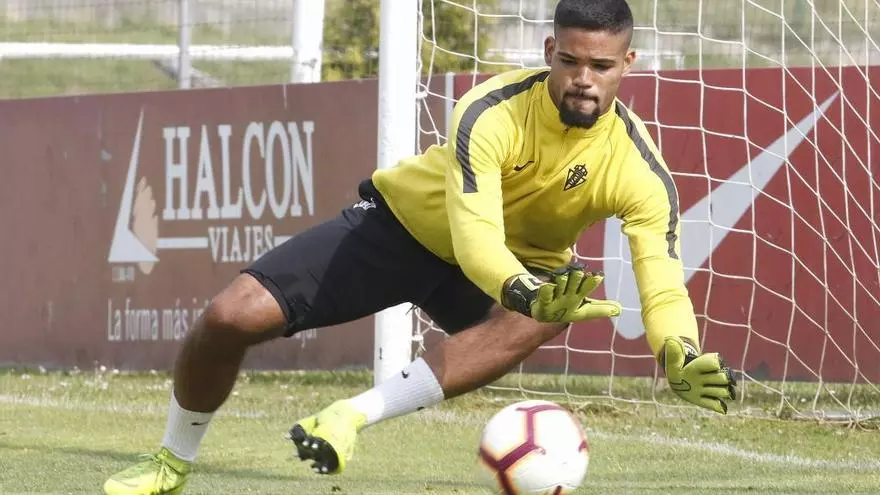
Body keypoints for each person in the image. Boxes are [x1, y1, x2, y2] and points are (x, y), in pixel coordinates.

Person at [103, 0, 737, 492]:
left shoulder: (638, 168)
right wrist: (520, 288)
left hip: (514, 273)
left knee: (552, 311)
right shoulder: (490, 110)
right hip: (402, 231)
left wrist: (678, 351)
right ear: (549, 51)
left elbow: (661, 280)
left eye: (601, 67)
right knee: (228, 318)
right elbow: (475, 234)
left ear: (628, 63)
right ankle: (171, 461)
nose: (583, 80)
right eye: (570, 61)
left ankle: (352, 415)